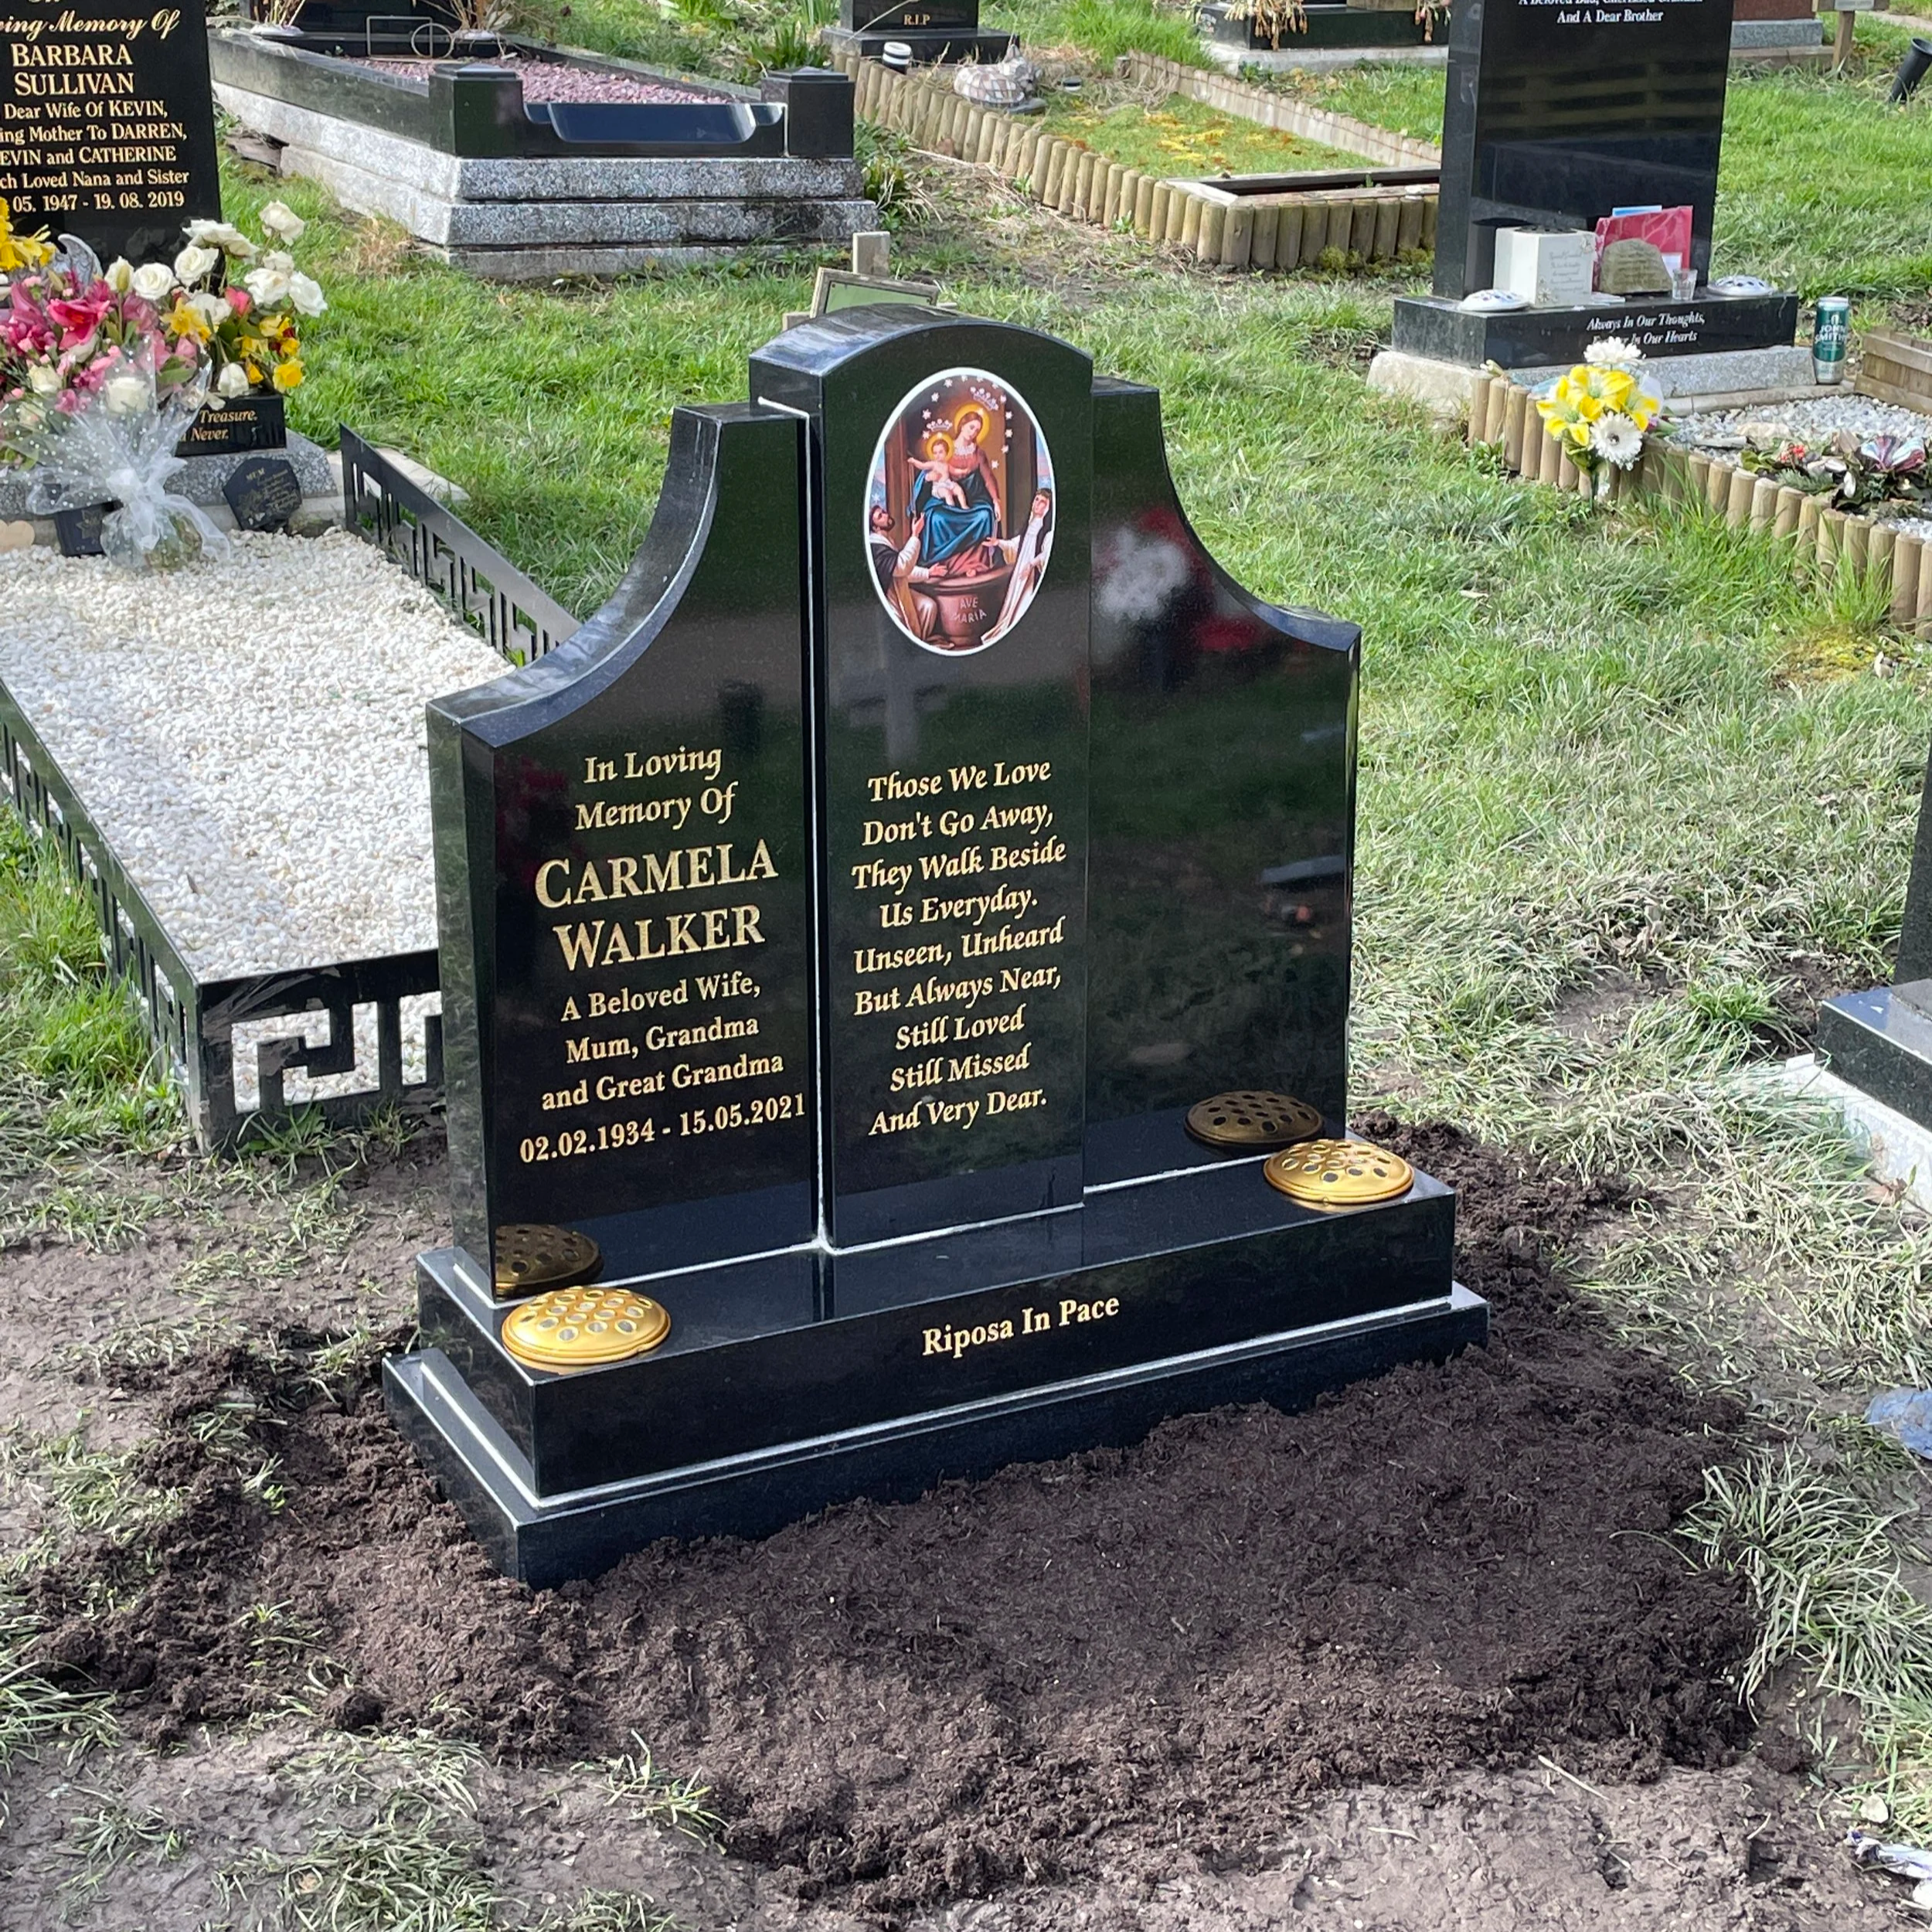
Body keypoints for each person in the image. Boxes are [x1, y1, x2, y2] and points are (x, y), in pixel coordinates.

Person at [907, 409, 1001, 570]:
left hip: (972, 501)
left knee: (985, 515)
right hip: (942, 500)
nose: (974, 432)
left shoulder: (979, 454)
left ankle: (973, 565)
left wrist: (996, 500)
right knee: (936, 519)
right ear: (962, 425)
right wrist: (929, 478)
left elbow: (988, 479)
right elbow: (927, 471)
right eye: (971, 427)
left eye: (977, 430)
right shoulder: (945, 448)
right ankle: (944, 565)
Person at [983, 488, 1053, 644]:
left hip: (1031, 574)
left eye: (1043, 502)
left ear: (1048, 508)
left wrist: (1031, 565)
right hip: (1020, 571)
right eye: (1037, 500)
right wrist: (998, 542)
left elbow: (1045, 554)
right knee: (1013, 605)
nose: (1038, 505)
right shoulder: (1030, 524)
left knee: (1026, 604)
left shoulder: (1047, 531)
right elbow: (1016, 544)